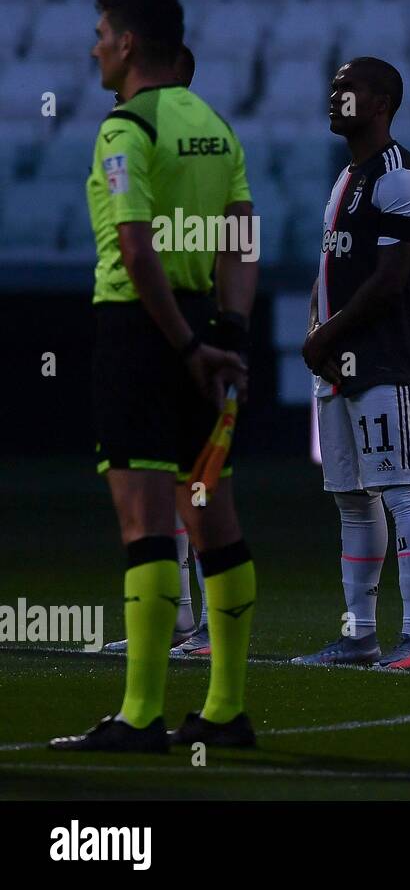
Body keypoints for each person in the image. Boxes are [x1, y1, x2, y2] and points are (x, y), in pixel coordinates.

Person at [51, 0, 258, 752]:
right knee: (215, 523)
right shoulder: (217, 128)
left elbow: (136, 251)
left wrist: (180, 346)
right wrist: (225, 337)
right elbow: (242, 243)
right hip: (206, 327)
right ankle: (227, 709)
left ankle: (139, 716)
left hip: (143, 336)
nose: (95, 46)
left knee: (146, 526)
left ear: (130, 44)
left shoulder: (124, 129)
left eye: (102, 32)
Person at [293, 58, 410, 670]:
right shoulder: (349, 177)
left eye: (345, 89)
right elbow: (335, 270)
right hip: (337, 365)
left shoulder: (400, 177)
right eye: (331, 88)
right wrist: (318, 332)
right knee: (353, 500)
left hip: (384, 361)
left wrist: (327, 333)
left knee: (402, 491)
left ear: (380, 102)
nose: (333, 98)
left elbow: (388, 282)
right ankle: (359, 635)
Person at [103, 41, 210, 659]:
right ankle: (181, 623)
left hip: (164, 325)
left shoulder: (141, 137)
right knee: (174, 487)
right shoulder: (213, 139)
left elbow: (141, 247)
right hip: (184, 320)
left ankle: (196, 634)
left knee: (185, 486)